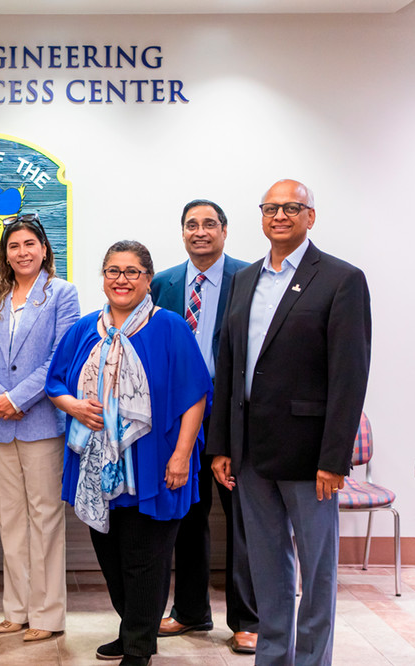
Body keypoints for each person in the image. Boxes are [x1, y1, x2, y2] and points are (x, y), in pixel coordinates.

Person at [209, 180, 371, 665]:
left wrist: (334, 458)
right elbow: (230, 364)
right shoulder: (245, 278)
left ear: (310, 217)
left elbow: (350, 377)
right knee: (266, 566)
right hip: (251, 451)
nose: (280, 215)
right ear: (261, 217)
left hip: (309, 454)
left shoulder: (341, 279)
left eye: (292, 208)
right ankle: (274, 657)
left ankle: (313, 660)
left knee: (317, 569)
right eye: (271, 208)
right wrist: (221, 445)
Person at [46, 240, 212, 666]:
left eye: (132, 271)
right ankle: (131, 628)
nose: (122, 279)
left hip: (155, 465)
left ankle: (139, 646)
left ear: (148, 279)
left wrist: (181, 456)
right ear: (102, 277)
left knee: (145, 560)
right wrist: (75, 405)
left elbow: (195, 396)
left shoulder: (169, 326)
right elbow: (56, 384)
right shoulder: (85, 328)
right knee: (112, 559)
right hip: (96, 466)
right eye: (113, 271)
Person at [0, 213, 81, 642]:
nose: (22, 252)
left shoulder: (61, 293)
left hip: (41, 421)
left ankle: (47, 614)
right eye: (14, 246)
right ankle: (16, 609)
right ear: (3, 253)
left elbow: (60, 357)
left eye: (30, 244)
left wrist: (19, 398)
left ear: (44, 248)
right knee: (10, 519)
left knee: (45, 518)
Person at [150, 199, 258, 654]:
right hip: (179, 414)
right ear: (182, 233)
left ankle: (247, 620)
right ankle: (191, 611)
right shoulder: (164, 282)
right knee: (188, 515)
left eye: (209, 224)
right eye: (191, 225)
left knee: (242, 518)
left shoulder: (250, 278)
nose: (200, 232)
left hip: (232, 412)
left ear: (225, 231)